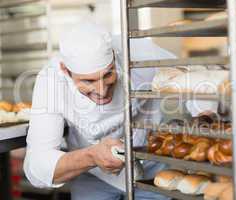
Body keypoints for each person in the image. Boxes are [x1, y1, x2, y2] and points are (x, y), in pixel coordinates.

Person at [23, 20, 175, 200]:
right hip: (92, 176)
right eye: (88, 81)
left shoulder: (138, 51)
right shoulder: (50, 81)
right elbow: (37, 166)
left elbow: (190, 74)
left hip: (151, 170)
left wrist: (204, 112)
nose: (102, 91)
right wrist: (91, 156)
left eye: (108, 74)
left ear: (113, 55)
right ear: (66, 70)